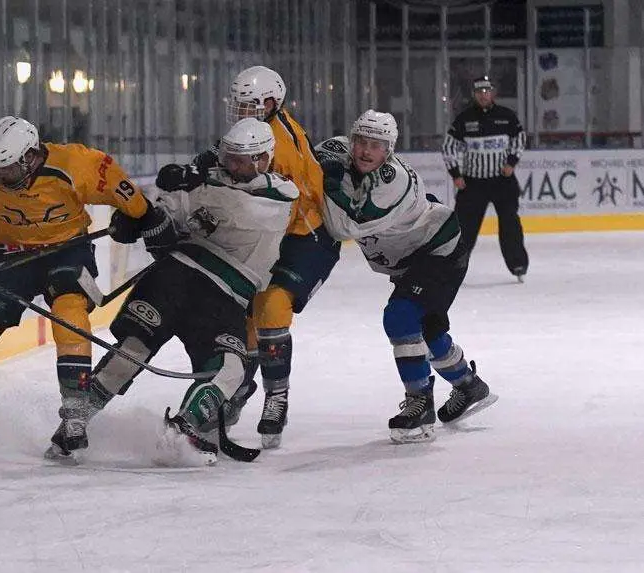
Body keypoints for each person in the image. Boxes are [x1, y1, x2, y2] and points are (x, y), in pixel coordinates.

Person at [0, 115, 177, 456]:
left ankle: (75, 412)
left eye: (6, 169)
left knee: (69, 313)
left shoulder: (75, 164)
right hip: (6, 257)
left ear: (30, 157)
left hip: (66, 251)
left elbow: (123, 191)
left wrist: (144, 216)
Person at [44, 118, 298, 464]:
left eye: (240, 160)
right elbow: (166, 208)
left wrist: (188, 189)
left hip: (222, 296)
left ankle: (184, 428)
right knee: (131, 351)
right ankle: (75, 425)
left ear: (264, 159)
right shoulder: (205, 180)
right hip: (176, 278)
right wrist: (143, 217)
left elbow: (238, 210)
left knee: (229, 369)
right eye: (227, 157)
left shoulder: (280, 194)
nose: (231, 166)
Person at [170, 65, 339, 449]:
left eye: (248, 105)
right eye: (239, 105)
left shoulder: (279, 149)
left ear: (271, 103)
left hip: (302, 236)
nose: (241, 112)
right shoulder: (264, 129)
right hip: (278, 233)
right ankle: (239, 389)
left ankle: (276, 397)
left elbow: (271, 209)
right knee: (242, 318)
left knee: (271, 306)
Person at [316, 110, 498, 444]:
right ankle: (469, 386)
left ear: (389, 150)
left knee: (400, 316)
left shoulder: (392, 180)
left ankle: (420, 403)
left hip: (439, 249)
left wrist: (327, 181)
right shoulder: (339, 151)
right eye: (361, 142)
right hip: (412, 257)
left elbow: (345, 226)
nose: (366, 151)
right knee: (424, 329)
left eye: (376, 145)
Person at [442, 76, 529, 282]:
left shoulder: (506, 116)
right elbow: (448, 147)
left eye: (486, 91)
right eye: (479, 92)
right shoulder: (464, 119)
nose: (483, 95)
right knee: (464, 227)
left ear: (493, 93)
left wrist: (512, 162)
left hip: (502, 181)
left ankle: (518, 264)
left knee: (510, 223)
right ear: (474, 95)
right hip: (473, 183)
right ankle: (454, 267)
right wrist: (456, 174)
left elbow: (520, 138)